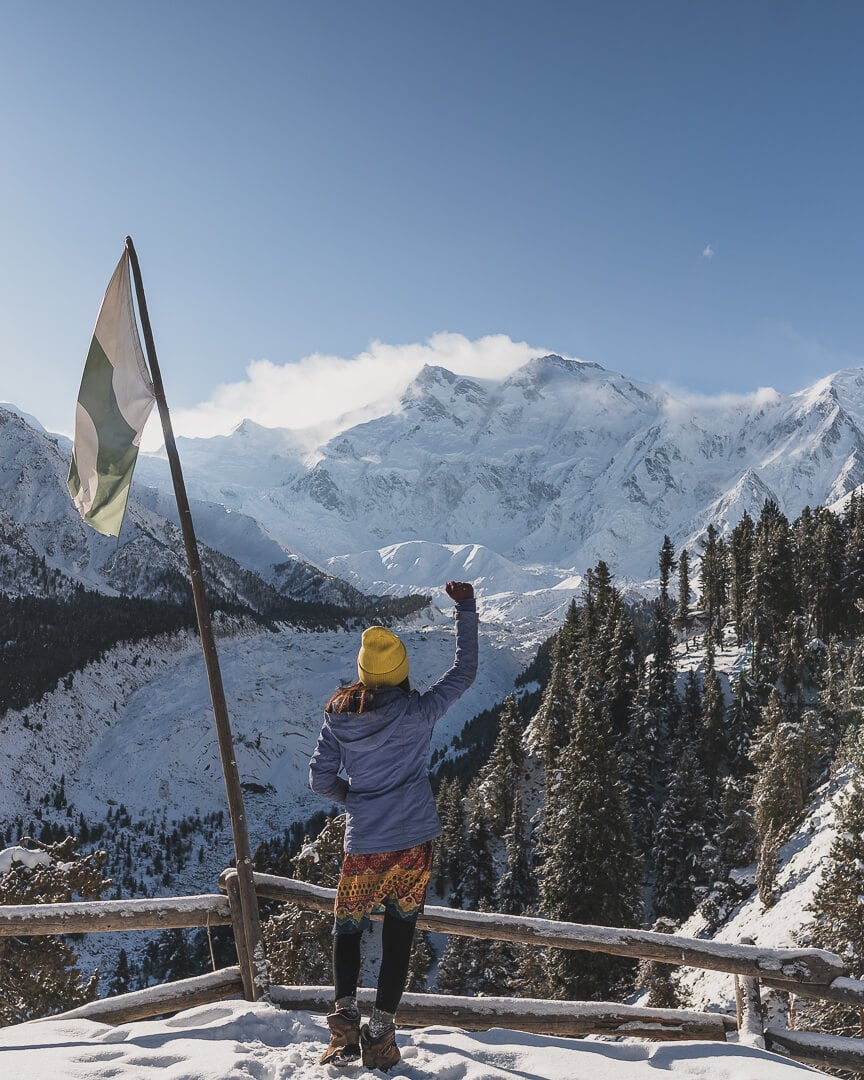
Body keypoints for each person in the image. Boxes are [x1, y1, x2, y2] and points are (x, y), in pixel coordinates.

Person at [308, 580, 478, 1069]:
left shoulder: (339, 716)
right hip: (414, 842)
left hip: (365, 843)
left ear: (363, 673)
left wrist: (356, 799)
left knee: (348, 927)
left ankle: (342, 1032)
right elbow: (464, 672)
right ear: (401, 673)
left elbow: (320, 780)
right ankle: (379, 1038)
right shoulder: (419, 712)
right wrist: (466, 608)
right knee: (400, 933)